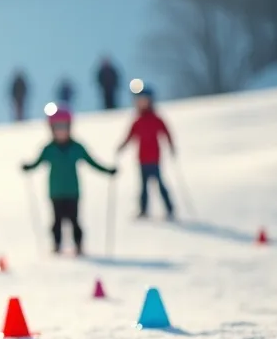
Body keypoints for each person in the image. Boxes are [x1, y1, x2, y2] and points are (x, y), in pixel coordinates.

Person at [22, 105, 117, 255]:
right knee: (57, 221)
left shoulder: (76, 147)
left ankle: (78, 245)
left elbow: (92, 162)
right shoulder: (49, 149)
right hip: (55, 191)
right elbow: (37, 163)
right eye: (57, 127)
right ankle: (57, 245)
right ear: (51, 129)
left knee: (74, 220)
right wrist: (28, 168)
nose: (61, 130)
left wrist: (108, 171)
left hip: (73, 191)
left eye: (64, 126)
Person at [118, 85, 176, 219]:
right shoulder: (137, 121)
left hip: (154, 158)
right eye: (139, 100)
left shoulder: (156, 119)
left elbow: (166, 132)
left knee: (160, 184)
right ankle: (143, 210)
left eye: (144, 99)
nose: (142, 102)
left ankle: (170, 208)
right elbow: (129, 136)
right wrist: (122, 146)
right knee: (143, 187)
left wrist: (171, 146)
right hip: (142, 159)